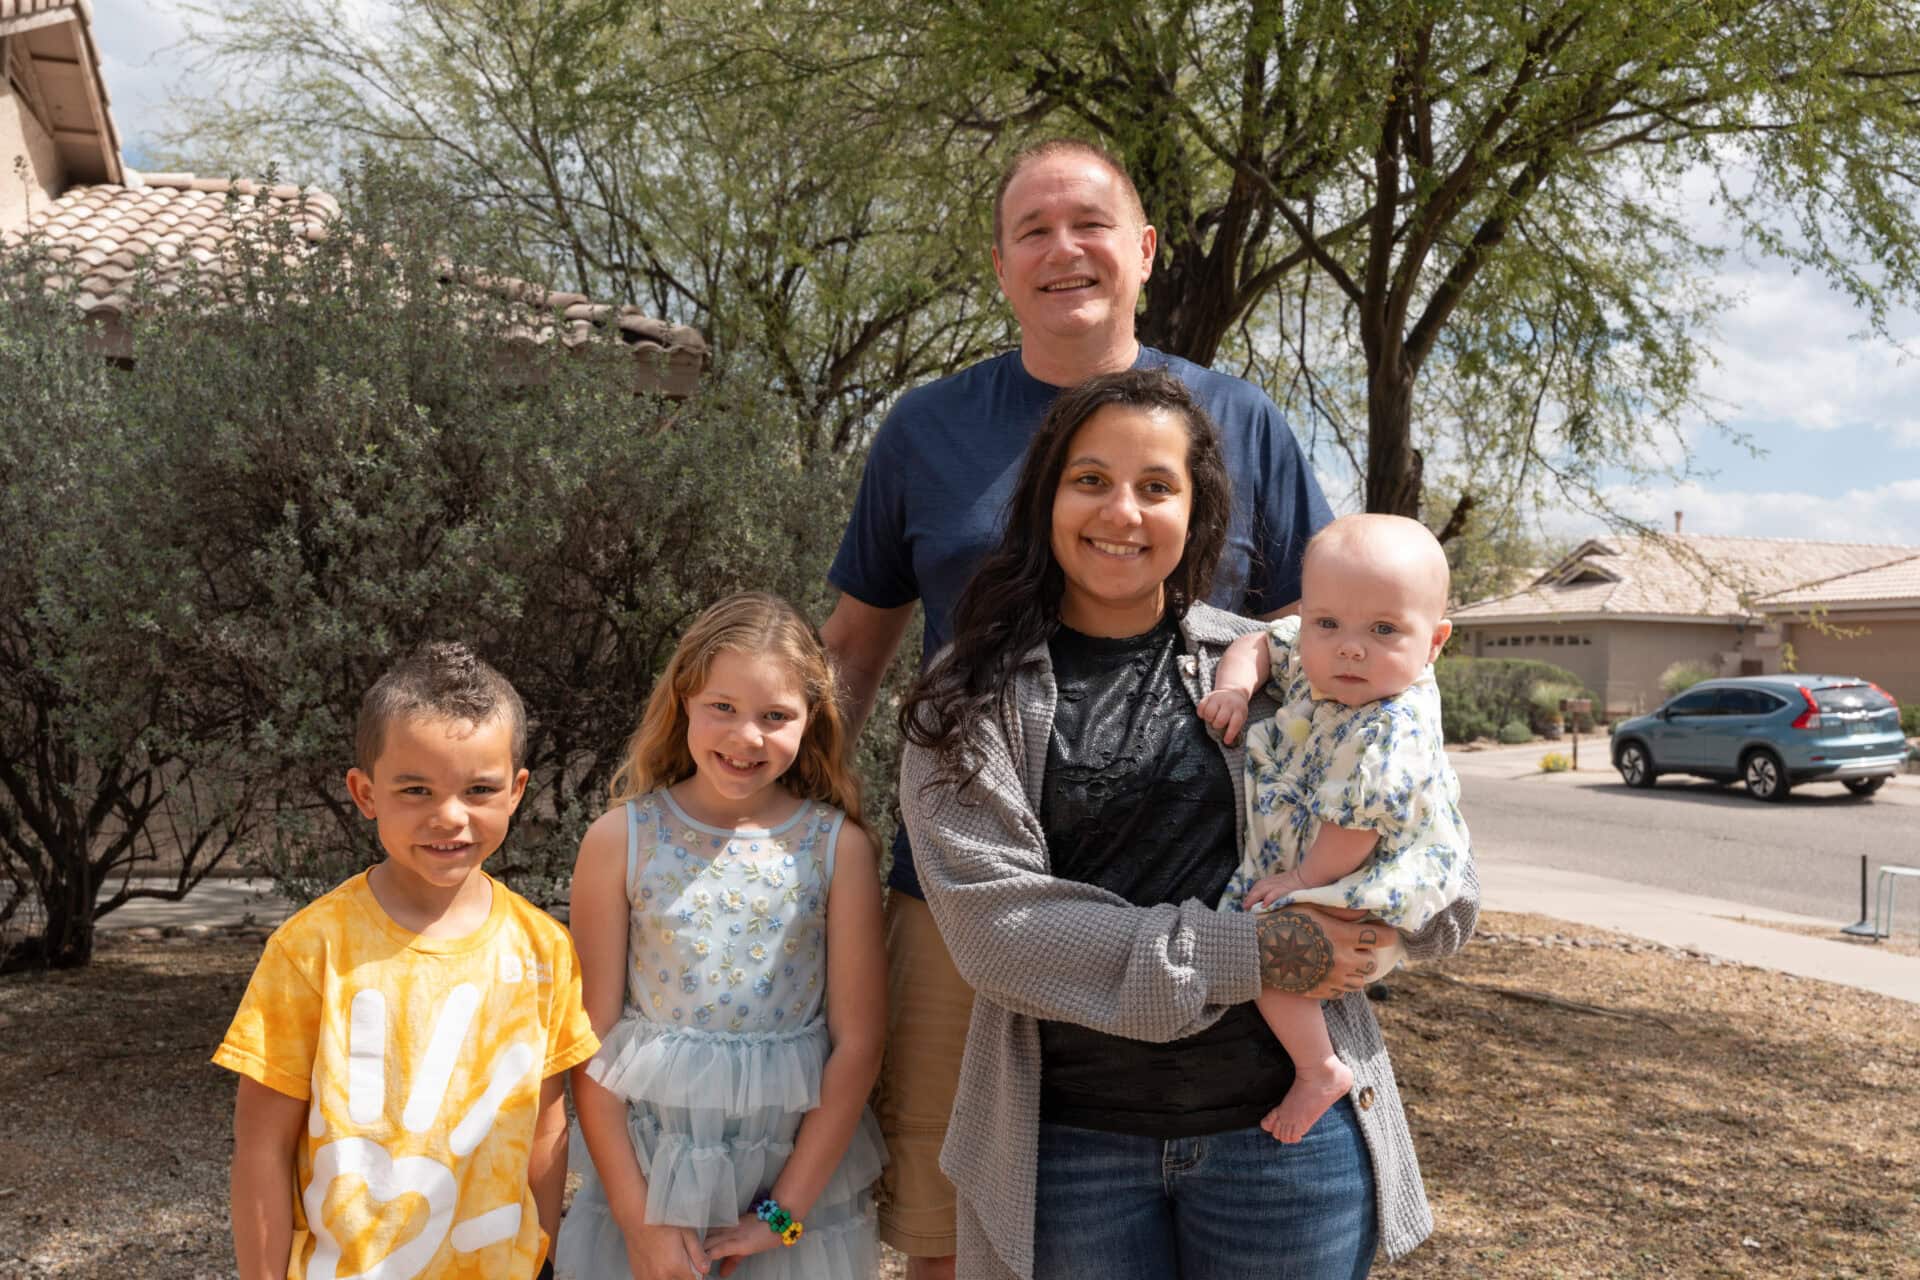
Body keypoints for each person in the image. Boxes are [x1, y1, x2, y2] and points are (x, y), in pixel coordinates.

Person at [821, 136, 1333, 1277]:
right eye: (1033, 230)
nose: (1065, 250)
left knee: (1215, 1205)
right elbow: (853, 646)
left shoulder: (1240, 422)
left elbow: (1328, 629)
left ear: (1145, 251)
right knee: (962, 1230)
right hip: (970, 897)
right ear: (1000, 265)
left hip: (1211, 900)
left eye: (1091, 223)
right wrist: (802, 825)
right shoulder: (927, 430)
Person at [897, 370, 1478, 1280]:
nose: (1121, 511)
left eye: (1156, 486)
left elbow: (1431, 851)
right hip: (1068, 1149)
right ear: (1045, 495)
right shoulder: (968, 697)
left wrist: (1388, 934)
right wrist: (1264, 954)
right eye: (1090, 479)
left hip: (1285, 1143)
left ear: (1196, 509)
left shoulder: (1297, 659)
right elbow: (999, 934)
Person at [216, 642, 600, 1280]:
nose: (449, 816)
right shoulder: (310, 949)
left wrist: (544, 1252)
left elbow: (544, 1124)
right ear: (366, 793)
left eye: (480, 789)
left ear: (517, 791)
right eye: (416, 789)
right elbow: (262, 1148)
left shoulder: (544, 949)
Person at [555, 592, 887, 1280]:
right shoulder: (621, 839)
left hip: (789, 1199)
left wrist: (779, 1218)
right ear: (682, 702)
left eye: (775, 717)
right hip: (648, 1197)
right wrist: (635, 1219)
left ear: (811, 721)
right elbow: (590, 1042)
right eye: (723, 708)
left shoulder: (836, 850)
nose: (746, 737)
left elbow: (857, 1046)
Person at [1196, 513, 1470, 1145]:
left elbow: (1353, 834)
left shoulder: (1389, 727)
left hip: (1360, 875)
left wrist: (1297, 879)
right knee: (1264, 946)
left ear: (1434, 643)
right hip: (1332, 853)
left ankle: (1319, 1068)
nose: (1350, 646)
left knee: (1264, 948)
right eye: (1328, 623)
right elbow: (1260, 643)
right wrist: (1236, 689)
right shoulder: (1323, 655)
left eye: (1383, 629)